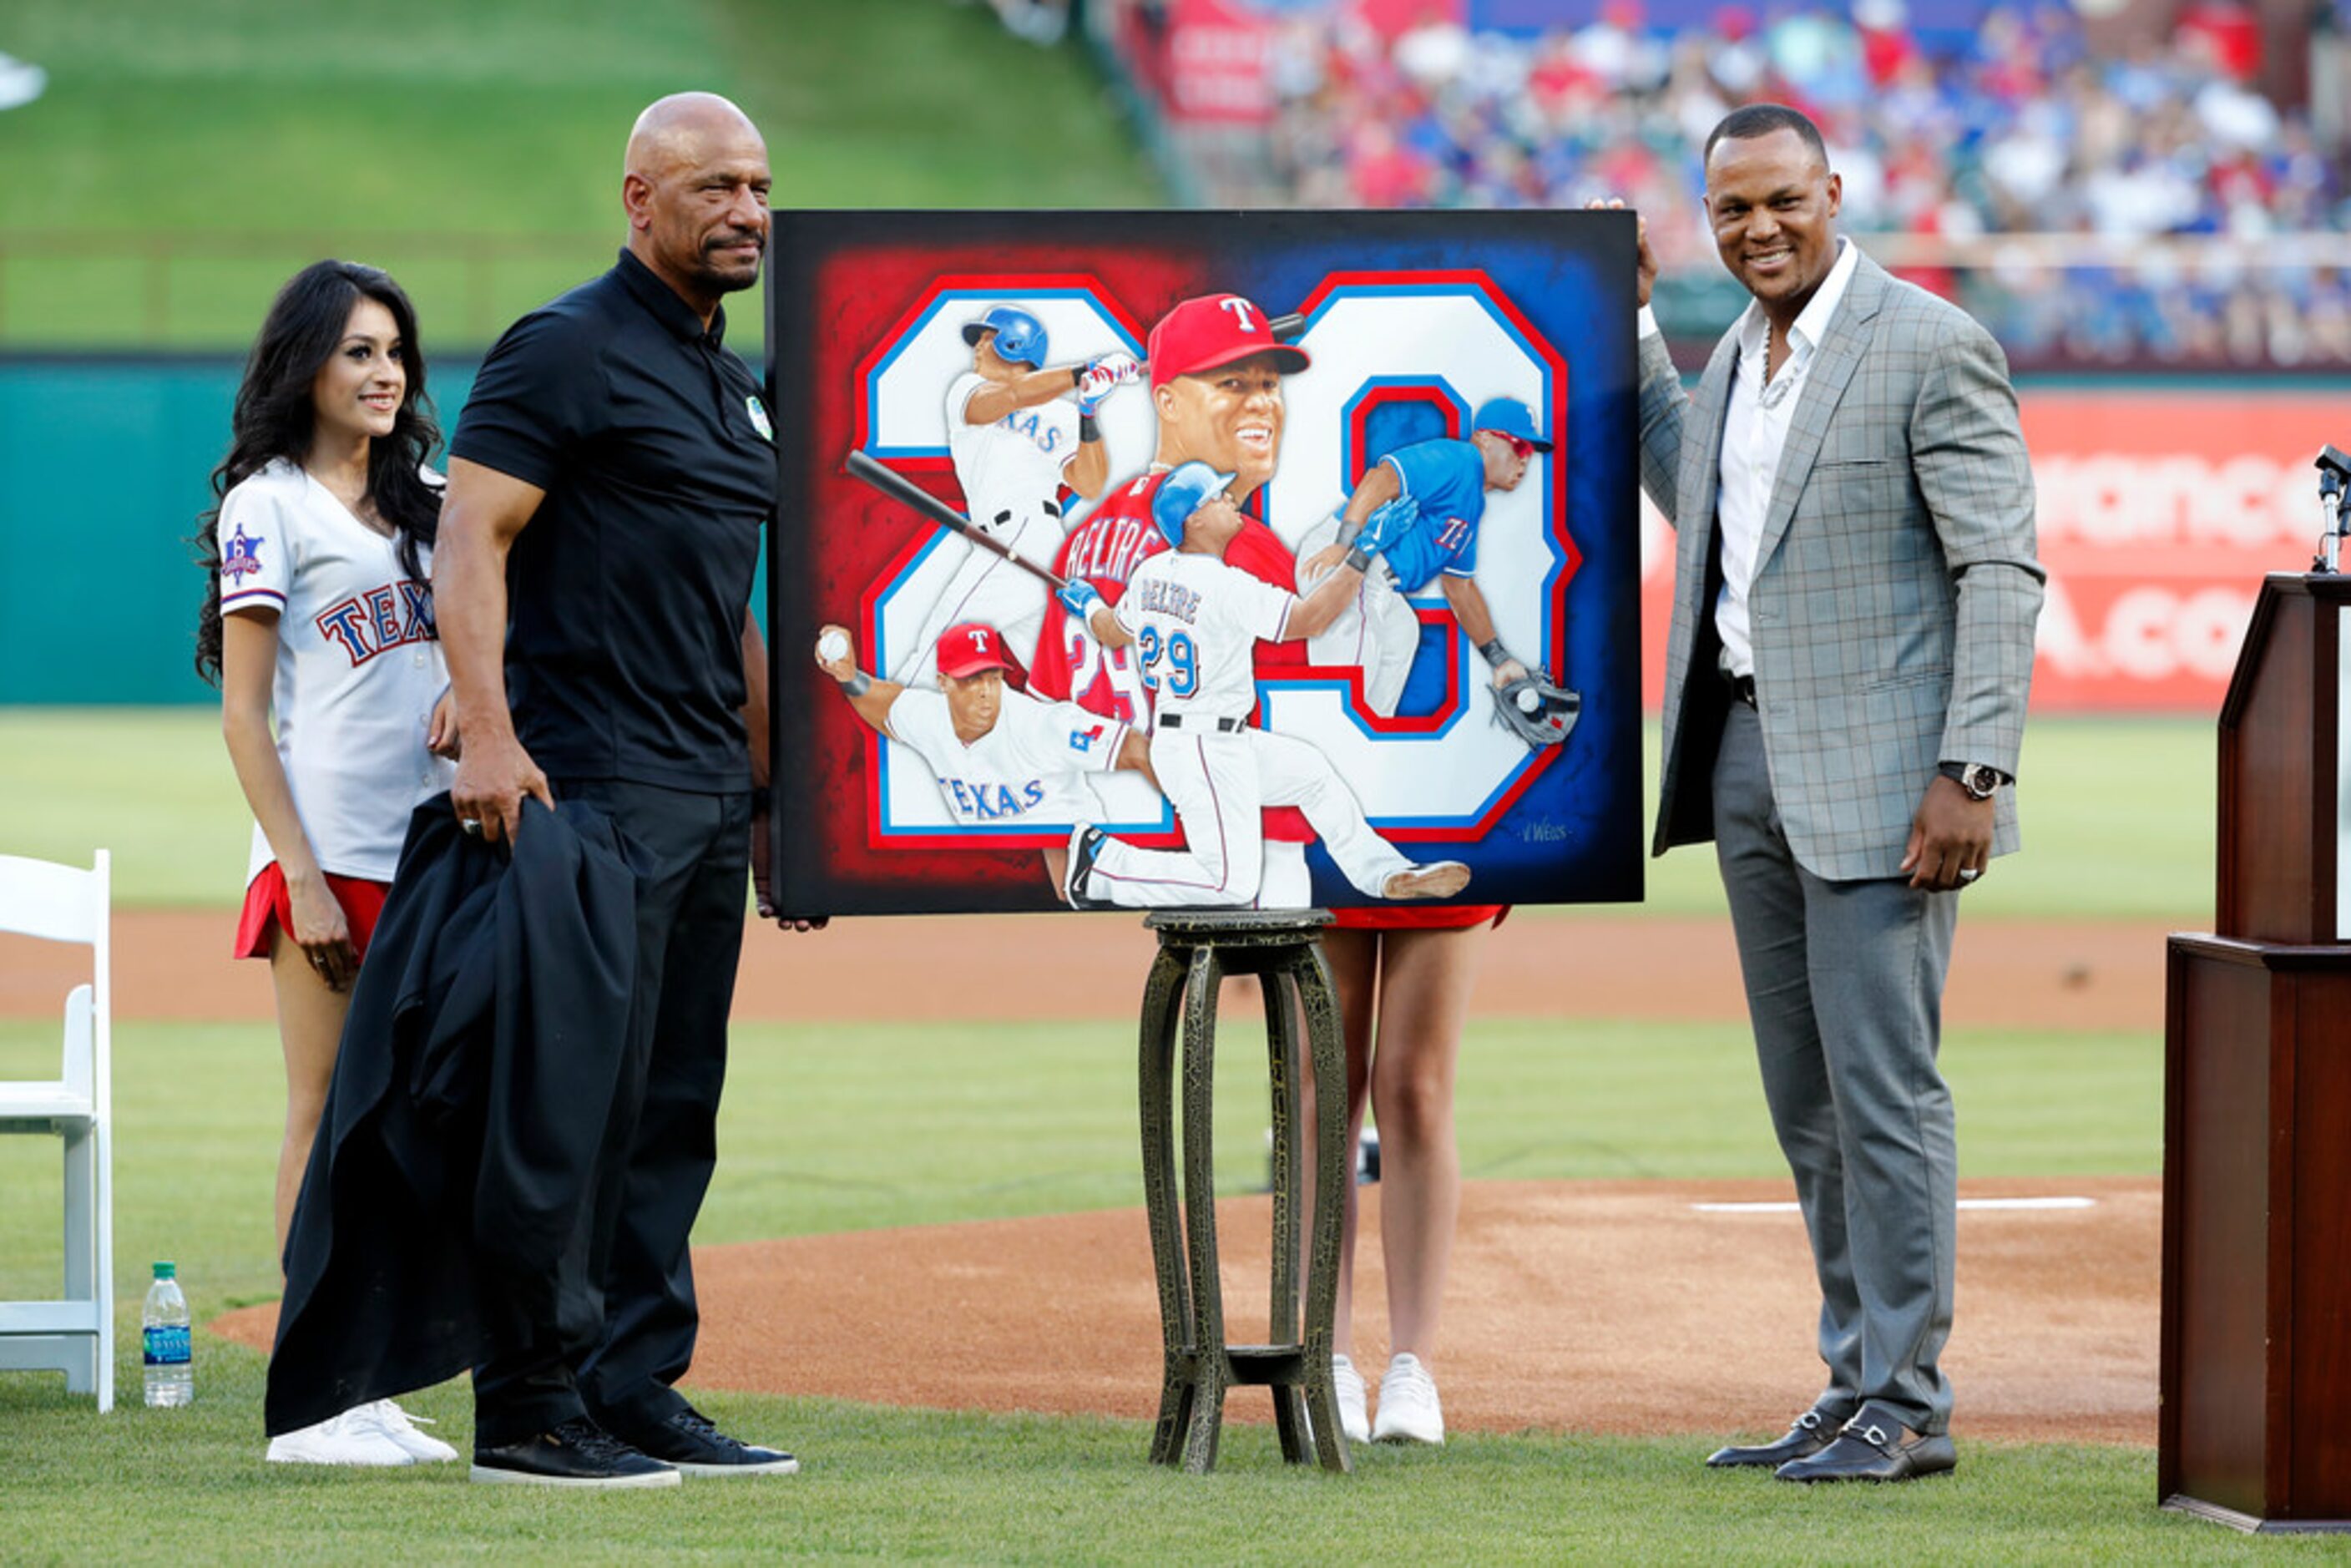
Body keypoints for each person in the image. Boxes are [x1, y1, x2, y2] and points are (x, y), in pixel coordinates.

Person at [1620, 104, 2043, 1483]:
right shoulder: (1740, 355)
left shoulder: (1929, 343)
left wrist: (1970, 769)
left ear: (1834, 192)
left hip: (1886, 780)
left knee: (1883, 1091)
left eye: (1782, 201)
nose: (1758, 227)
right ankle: (1855, 1374)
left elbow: (2000, 568)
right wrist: (1631, 335)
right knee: (1806, 1097)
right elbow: (1703, 497)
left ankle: (1909, 1401)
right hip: (1744, 756)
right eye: (1733, 207)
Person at [432, 91, 802, 1488]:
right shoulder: (565, 346)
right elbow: (473, 532)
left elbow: (733, 606)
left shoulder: (733, 380)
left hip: (704, 788)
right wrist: (483, 725)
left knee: (668, 1103)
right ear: (638, 200)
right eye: (714, 187)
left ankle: (633, 1382)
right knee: (565, 1104)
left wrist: (773, 797)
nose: (747, 214)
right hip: (586, 779)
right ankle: (528, 1405)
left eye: (761, 188)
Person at [195, 259, 462, 1469]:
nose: (384, 370)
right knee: (326, 1111)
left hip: (434, 851)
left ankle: (368, 1374)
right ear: (306, 363)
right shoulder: (272, 501)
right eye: (357, 349)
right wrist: (297, 873)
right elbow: (247, 715)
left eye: (395, 349)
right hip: (330, 857)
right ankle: (310, 1397)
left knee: (407, 1124)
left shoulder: (428, 499)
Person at [1057, 462, 1470, 908]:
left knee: (1312, 774)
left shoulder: (1149, 574)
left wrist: (1090, 603)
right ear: (1192, 521)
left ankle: (1384, 872)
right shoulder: (1224, 585)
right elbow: (1312, 620)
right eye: (1216, 497)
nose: (1230, 498)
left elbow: (1112, 631)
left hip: (1208, 739)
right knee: (1230, 885)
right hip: (1203, 747)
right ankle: (1101, 864)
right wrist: (1363, 552)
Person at [1029, 291, 1319, 904]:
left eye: (1269, 384)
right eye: (1234, 382)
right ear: (1166, 401)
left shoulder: (1084, 537)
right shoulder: (1238, 549)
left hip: (1124, 850)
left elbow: (1044, 726)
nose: (1262, 403)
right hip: (1243, 844)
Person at [817, 619, 1158, 893]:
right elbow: (883, 703)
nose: (985, 692)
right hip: (997, 878)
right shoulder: (929, 718)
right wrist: (848, 677)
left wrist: (1192, 814)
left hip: (1080, 874)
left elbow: (1137, 749)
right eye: (970, 680)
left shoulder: (1041, 726)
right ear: (944, 682)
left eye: (992, 677)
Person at [889, 306, 1137, 680]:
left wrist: (1088, 411)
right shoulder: (967, 390)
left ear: (1012, 344)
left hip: (1028, 539)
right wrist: (1080, 373)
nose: (977, 349)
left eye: (986, 339)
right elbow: (1010, 397)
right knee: (1057, 680)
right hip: (1004, 539)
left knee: (932, 659)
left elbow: (1089, 483)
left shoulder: (1062, 413)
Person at [1297, 397, 1567, 724]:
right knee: (1346, 688)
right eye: (1518, 446)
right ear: (1483, 438)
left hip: (1374, 578)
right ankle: (1337, 734)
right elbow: (1381, 478)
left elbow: (1460, 589)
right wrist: (1343, 544)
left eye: (1530, 452)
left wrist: (1499, 658)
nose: (1525, 460)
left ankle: (1367, 744)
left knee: (1402, 631)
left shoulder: (1471, 503)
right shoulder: (1459, 459)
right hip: (1347, 558)